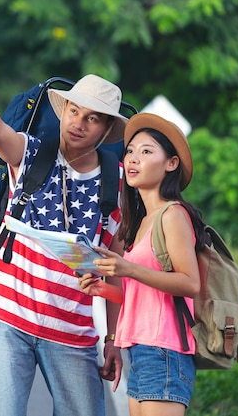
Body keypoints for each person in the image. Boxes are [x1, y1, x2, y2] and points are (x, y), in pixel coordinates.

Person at [0, 74, 127, 416]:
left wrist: (113, 339)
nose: (78, 124)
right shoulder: (32, 152)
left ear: (106, 130)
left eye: (92, 118)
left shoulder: (116, 182)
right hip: (8, 315)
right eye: (74, 111)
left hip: (72, 330)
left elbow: (114, 268)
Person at [78, 112, 206, 416]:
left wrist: (128, 268)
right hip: (141, 349)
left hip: (164, 351)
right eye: (131, 151)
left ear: (171, 164)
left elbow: (190, 283)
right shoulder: (142, 221)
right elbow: (148, 296)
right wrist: (102, 289)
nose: (134, 159)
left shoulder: (172, 215)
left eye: (147, 152)